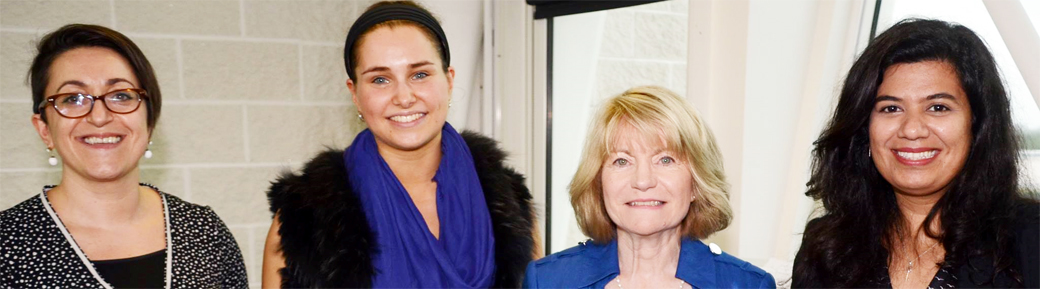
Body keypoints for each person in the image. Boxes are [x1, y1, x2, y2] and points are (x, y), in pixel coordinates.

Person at [262, 1, 536, 287]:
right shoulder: (303, 218)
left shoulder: (509, 203)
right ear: (354, 93)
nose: (404, 97)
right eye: (380, 79)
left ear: (449, 80)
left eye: (420, 74)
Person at [793, 19, 1039, 288]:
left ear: (977, 125)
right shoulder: (825, 248)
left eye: (937, 107)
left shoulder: (1029, 241)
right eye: (890, 108)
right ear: (864, 128)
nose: (911, 130)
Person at [0, 24, 248, 288]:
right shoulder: (8, 243)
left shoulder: (204, 231)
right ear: (45, 129)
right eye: (73, 98)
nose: (99, 117)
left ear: (150, 121)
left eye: (120, 95)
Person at [523, 86, 775, 288]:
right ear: (598, 183)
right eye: (622, 161)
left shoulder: (749, 284)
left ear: (697, 184)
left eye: (665, 159)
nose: (643, 181)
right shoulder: (547, 280)